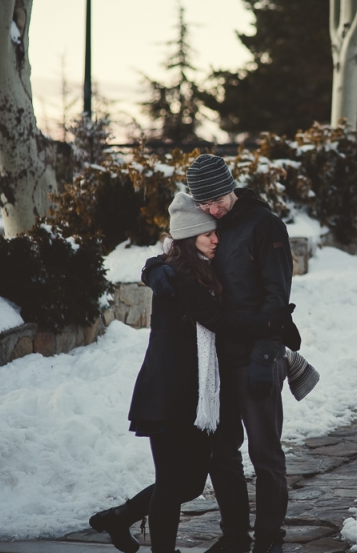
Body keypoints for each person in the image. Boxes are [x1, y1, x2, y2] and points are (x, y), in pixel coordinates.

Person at [89, 192, 293, 553]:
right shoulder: (180, 276)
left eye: (216, 232)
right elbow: (218, 320)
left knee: (190, 483)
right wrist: (273, 325)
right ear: (189, 238)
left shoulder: (200, 268)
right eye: (207, 234)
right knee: (174, 483)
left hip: (198, 391)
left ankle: (119, 518)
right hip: (169, 394)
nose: (216, 239)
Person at [144, 154, 295, 553]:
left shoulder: (264, 225)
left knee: (265, 453)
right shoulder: (213, 224)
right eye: (204, 203)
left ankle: (269, 541)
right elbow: (184, 248)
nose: (212, 210)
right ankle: (234, 538)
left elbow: (278, 297)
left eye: (217, 201)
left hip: (256, 358)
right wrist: (155, 266)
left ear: (231, 185)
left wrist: (266, 355)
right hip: (216, 363)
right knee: (222, 454)